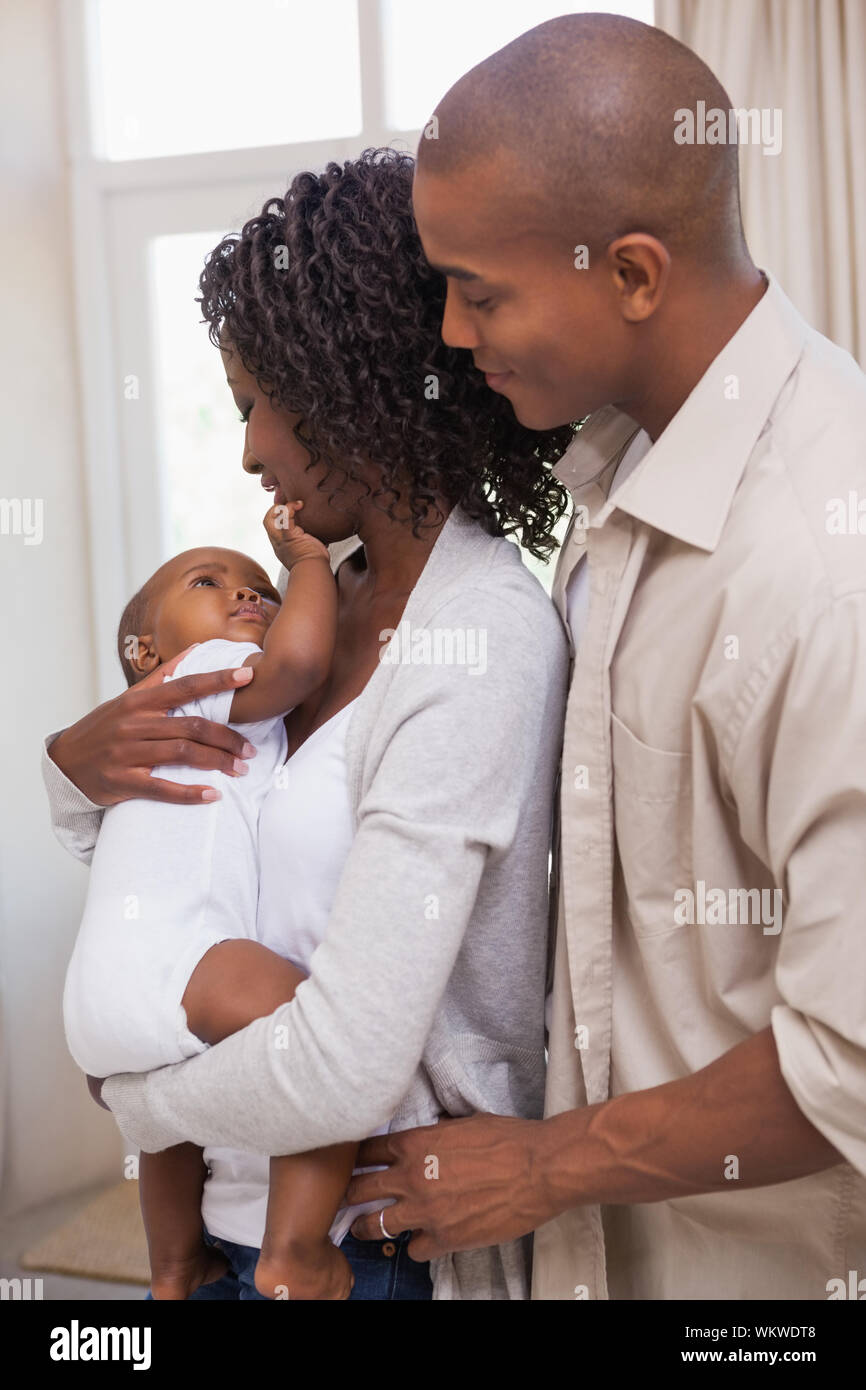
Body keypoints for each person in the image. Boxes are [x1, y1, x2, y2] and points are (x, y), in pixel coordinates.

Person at [337, 14, 866, 1300]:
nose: (455, 337)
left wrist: (547, 1164)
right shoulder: (621, 471)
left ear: (631, 273)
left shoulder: (818, 564)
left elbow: (852, 1054)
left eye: (478, 290)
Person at [42, 148, 572, 1300]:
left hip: (379, 1240)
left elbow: (343, 1063)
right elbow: (193, 839)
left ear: (338, 380)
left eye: (251, 404)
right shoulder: (305, 606)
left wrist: (132, 1095)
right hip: (243, 1200)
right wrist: (71, 774)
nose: (245, 451)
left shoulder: (477, 637)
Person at [63, 505, 392, 1300]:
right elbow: (301, 664)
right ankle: (296, 1246)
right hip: (181, 956)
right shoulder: (196, 677)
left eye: (258, 586)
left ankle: (176, 1266)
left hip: (100, 989)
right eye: (208, 583)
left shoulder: (165, 718)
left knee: (168, 1127)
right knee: (319, 1036)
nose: (248, 595)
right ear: (147, 653)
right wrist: (306, 564)